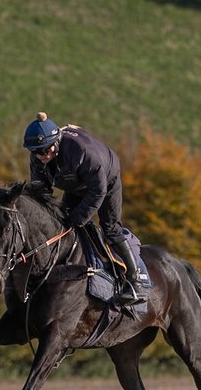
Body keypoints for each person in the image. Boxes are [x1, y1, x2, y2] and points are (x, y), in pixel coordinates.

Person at [23, 112, 145, 304]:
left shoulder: (82, 151)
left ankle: (135, 280)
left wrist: (79, 218)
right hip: (75, 183)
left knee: (110, 228)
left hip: (106, 180)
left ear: (56, 143)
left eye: (45, 150)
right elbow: (40, 192)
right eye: (36, 152)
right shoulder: (38, 157)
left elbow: (98, 192)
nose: (41, 156)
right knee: (61, 223)